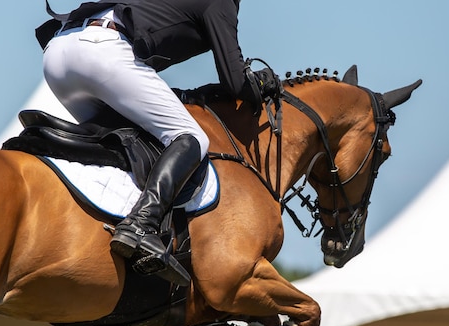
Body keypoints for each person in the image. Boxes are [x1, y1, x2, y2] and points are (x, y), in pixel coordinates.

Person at [36, 0, 280, 284]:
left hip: (59, 51)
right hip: (102, 50)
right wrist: (263, 83)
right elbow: (236, 82)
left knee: (126, 138)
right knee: (190, 138)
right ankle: (141, 224)